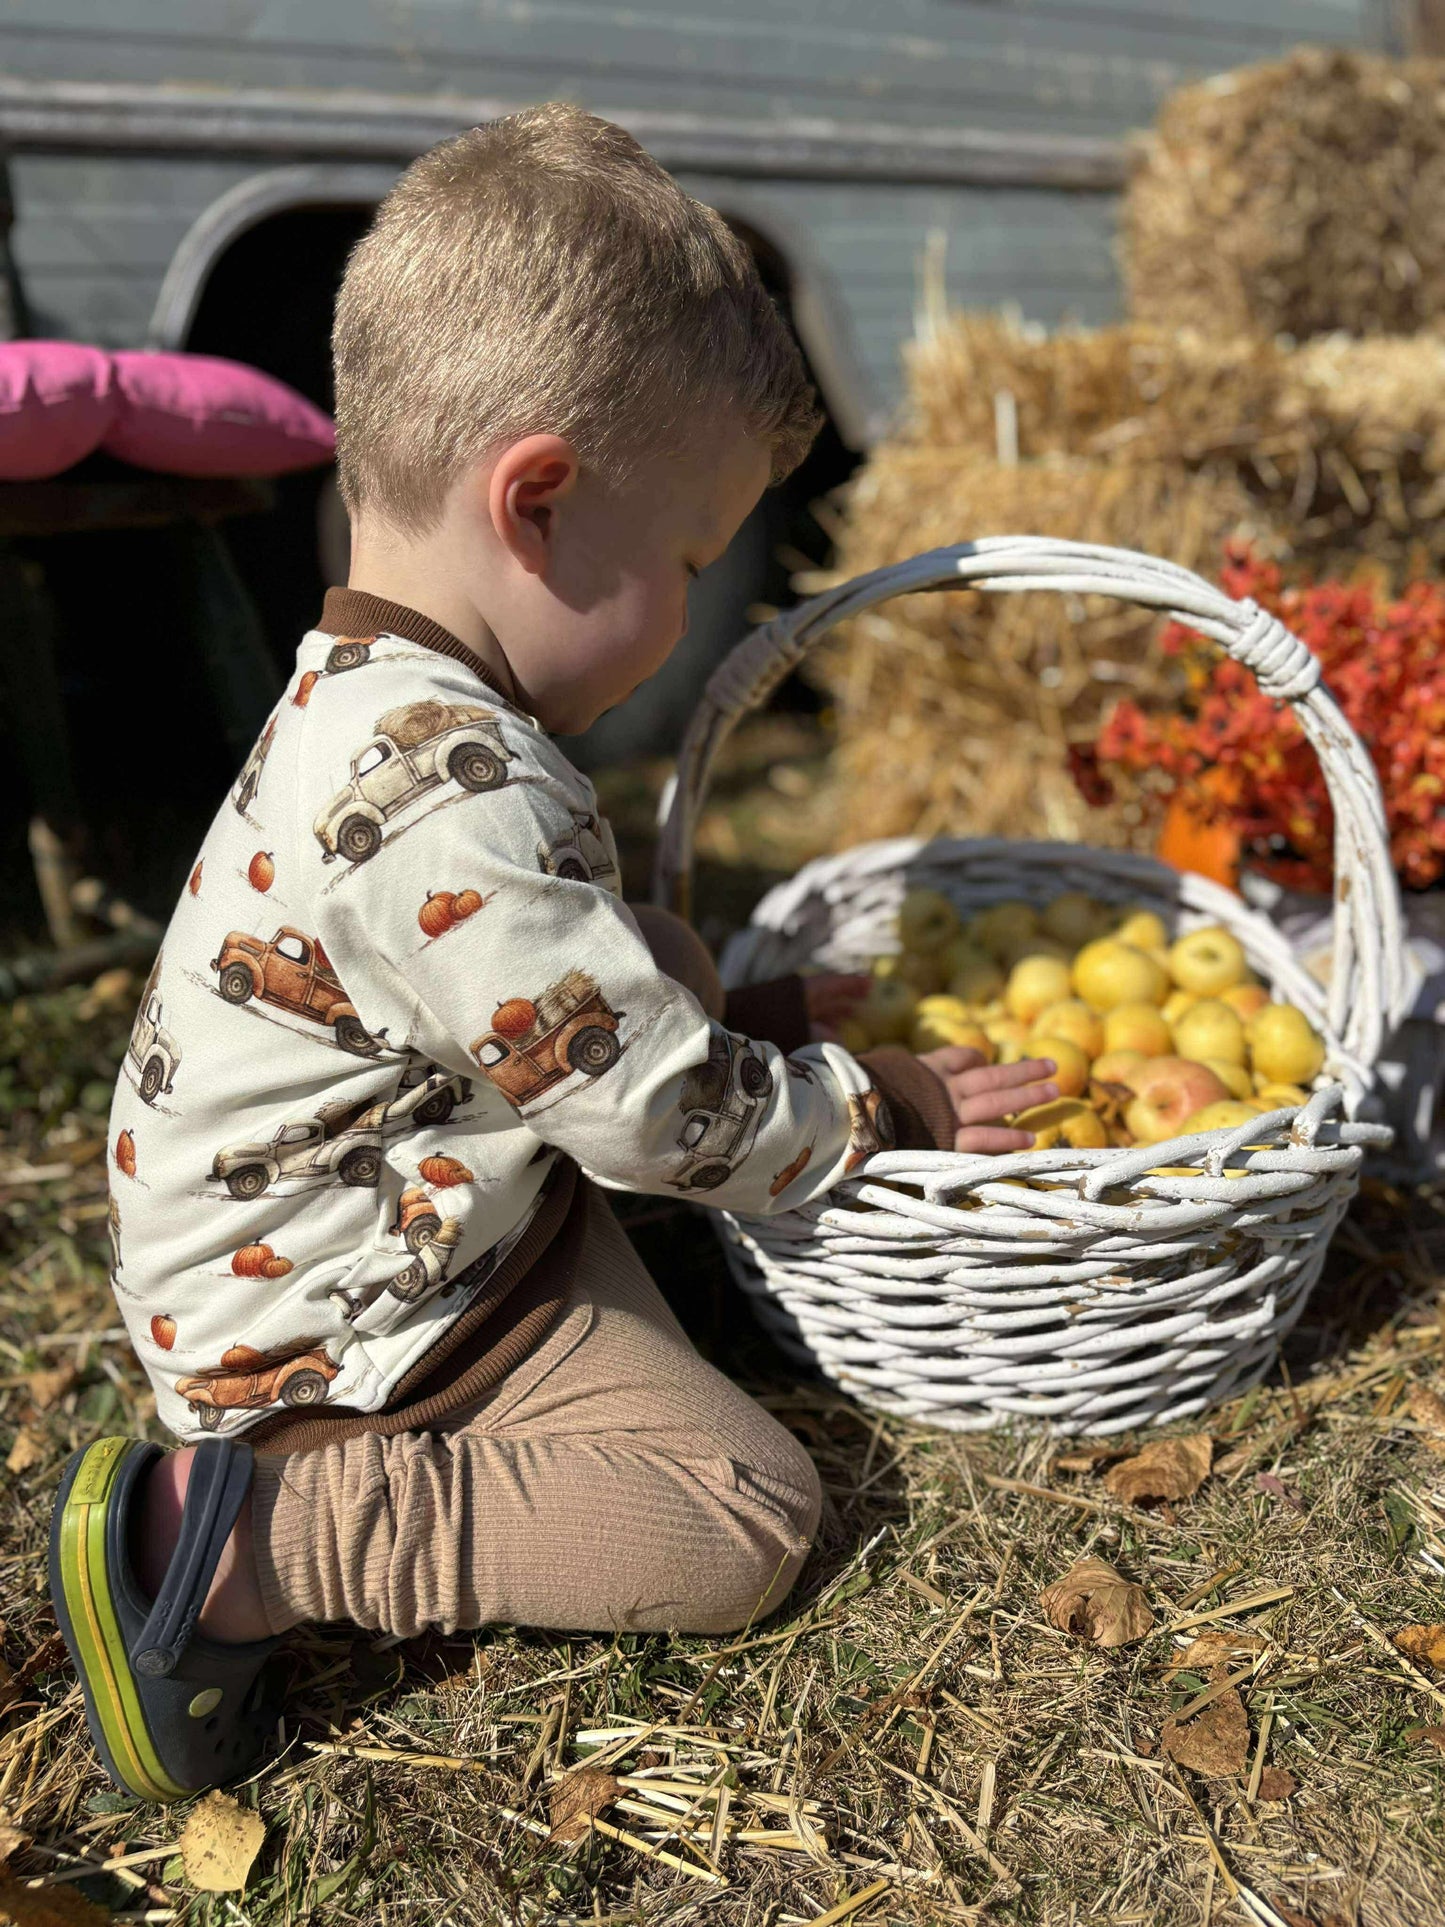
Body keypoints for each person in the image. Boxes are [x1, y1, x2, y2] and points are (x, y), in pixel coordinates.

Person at [48, 104, 1058, 1804]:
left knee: (651, 952)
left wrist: (719, 1006)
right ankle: (255, 1533)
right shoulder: (453, 798)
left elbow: (525, 996)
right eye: (681, 559)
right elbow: (652, 1122)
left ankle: (384, 1426)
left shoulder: (386, 696)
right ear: (537, 500)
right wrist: (867, 1101)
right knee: (741, 1514)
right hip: (338, 1316)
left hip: (358, 1206)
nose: (686, 605)